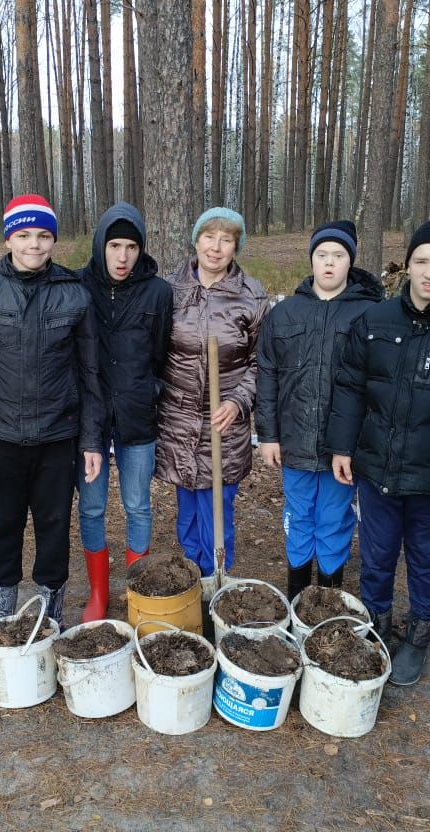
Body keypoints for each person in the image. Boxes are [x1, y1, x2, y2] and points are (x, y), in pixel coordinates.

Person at [328, 219, 430, 686]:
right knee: (377, 554)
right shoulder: (375, 321)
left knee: (426, 557)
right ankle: (377, 625)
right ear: (408, 266)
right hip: (376, 468)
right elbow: (351, 388)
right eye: (422, 260)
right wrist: (343, 447)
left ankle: (419, 635)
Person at [0, 194, 104, 631]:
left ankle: (48, 619)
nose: (34, 245)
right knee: (2, 528)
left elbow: (90, 374)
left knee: (54, 529)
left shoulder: (75, 295)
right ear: (8, 239)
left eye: (43, 236)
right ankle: (1, 619)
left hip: (58, 438)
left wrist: (91, 441)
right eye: (24, 235)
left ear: (53, 240)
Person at [255, 220, 383, 603]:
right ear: (311, 260)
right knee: (298, 519)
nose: (329, 263)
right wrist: (268, 435)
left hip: (341, 448)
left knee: (334, 519)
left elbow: (376, 381)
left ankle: (327, 601)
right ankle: (297, 600)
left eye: (339, 256)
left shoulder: (369, 314)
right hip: (294, 440)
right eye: (322, 255)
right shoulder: (284, 314)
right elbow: (267, 377)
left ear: (351, 262)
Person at [155, 207, 269, 601]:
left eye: (226, 239)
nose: (216, 247)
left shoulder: (251, 295)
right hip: (178, 421)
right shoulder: (169, 291)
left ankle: (216, 583)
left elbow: (260, 362)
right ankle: (192, 582)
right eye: (209, 236)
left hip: (224, 425)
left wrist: (239, 401)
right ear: (196, 239)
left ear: (237, 247)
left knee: (216, 509)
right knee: (186, 509)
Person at [76, 203, 173, 623]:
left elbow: (161, 354)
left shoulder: (158, 292)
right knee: (92, 507)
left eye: (131, 246)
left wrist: (149, 390)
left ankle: (137, 591)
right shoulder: (79, 287)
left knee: (137, 506)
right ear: (101, 245)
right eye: (114, 245)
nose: (122, 256)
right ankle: (99, 594)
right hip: (89, 419)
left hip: (137, 417)